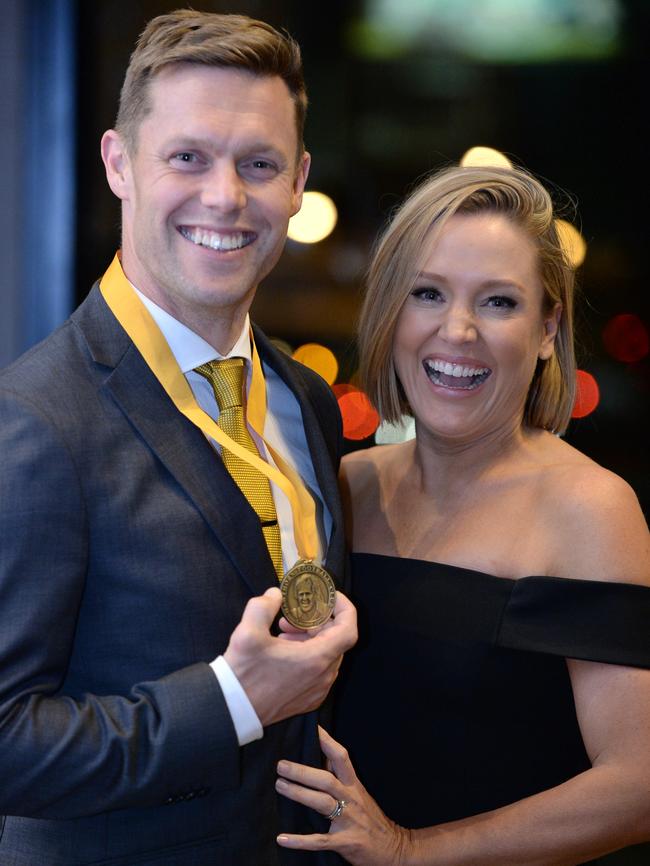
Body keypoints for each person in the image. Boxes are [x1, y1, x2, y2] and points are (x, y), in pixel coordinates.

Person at [0, 10, 356, 866]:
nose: (226, 197)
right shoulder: (36, 418)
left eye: (259, 164)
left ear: (298, 181)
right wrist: (234, 699)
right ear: (120, 164)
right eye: (187, 157)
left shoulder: (303, 398)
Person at [275, 164, 650, 865]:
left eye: (499, 302)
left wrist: (412, 851)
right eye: (428, 293)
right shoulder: (345, 486)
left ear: (547, 329)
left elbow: (639, 786)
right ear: (392, 313)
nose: (457, 330)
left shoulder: (589, 508)